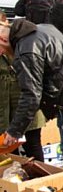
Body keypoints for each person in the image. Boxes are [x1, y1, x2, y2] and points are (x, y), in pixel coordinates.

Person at [0, 18, 63, 174]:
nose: (2, 53)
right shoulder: (42, 28)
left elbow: (31, 95)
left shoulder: (27, 49)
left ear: (3, 39)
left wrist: (14, 131)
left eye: (0, 49)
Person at [0, 13, 47, 161]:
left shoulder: (20, 42)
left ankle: (39, 178)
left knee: (32, 144)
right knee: (8, 149)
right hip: (4, 105)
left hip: (26, 100)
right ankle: (13, 180)